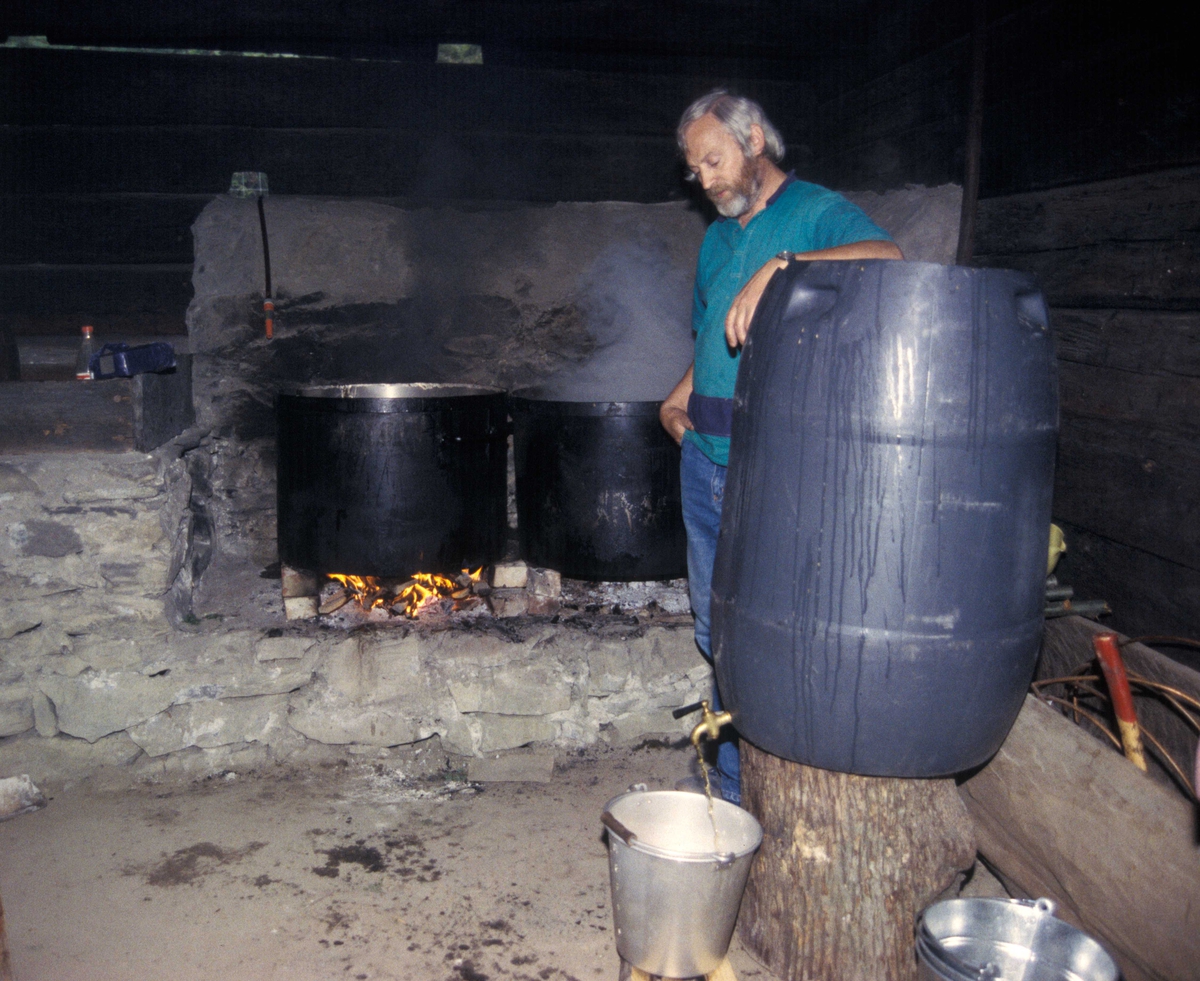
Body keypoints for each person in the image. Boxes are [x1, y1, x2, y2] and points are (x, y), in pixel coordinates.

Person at [661, 90, 903, 804]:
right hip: (701, 457)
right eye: (693, 169)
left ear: (755, 140)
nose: (703, 180)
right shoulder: (714, 239)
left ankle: (758, 790)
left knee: (761, 630)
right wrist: (676, 397)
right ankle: (729, 778)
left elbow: (888, 254)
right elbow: (710, 331)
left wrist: (784, 268)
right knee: (713, 629)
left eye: (714, 158)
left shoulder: (816, 212)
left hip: (768, 468)